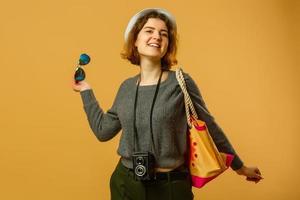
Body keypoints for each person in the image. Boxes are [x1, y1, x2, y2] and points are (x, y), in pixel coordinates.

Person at [72, 8, 263, 200]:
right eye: (149, 31)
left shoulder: (181, 82)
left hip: (170, 187)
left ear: (167, 45)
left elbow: (209, 126)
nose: (157, 36)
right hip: (126, 184)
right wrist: (86, 92)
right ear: (135, 40)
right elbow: (103, 131)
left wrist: (240, 167)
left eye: (163, 34)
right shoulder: (126, 88)